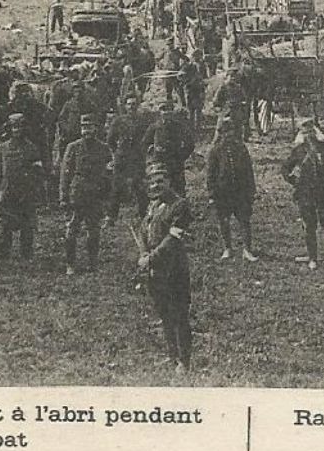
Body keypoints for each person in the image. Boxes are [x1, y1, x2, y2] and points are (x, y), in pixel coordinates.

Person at [137, 163, 194, 373]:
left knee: (179, 314)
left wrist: (151, 257)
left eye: (160, 181)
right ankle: (172, 356)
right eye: (152, 181)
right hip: (155, 270)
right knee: (164, 313)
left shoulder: (179, 205)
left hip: (173, 268)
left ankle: (184, 361)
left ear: (169, 182)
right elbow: (144, 230)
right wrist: (143, 253)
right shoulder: (152, 205)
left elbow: (173, 239)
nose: (156, 185)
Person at [282, 118, 324, 271]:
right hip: (305, 194)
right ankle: (312, 259)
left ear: (316, 132)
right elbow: (285, 168)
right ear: (301, 134)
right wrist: (294, 181)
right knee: (309, 227)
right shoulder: (298, 151)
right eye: (305, 132)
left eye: (311, 132)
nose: (308, 135)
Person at [59, 112, 113, 275]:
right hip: (77, 194)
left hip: (95, 195)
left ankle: (92, 263)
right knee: (71, 230)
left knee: (94, 231)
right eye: (84, 127)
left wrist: (107, 196)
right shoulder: (73, 147)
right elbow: (65, 174)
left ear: (96, 128)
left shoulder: (104, 149)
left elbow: (110, 174)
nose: (86, 131)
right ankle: (70, 264)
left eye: (89, 127)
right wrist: (63, 196)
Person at [205, 117, 258, 262]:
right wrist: (212, 194)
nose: (229, 135)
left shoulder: (241, 149)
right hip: (223, 193)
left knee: (244, 220)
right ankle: (227, 248)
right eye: (225, 132)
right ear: (221, 134)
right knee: (224, 220)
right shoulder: (215, 151)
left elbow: (249, 171)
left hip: (240, 192)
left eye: (231, 132)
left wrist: (251, 191)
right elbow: (210, 175)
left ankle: (247, 250)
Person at [0, 114, 44, 261]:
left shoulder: (31, 148)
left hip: (25, 191)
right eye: (14, 127)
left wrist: (33, 186)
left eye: (20, 127)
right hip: (7, 190)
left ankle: (26, 254)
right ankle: (3, 254)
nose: (17, 130)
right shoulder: (3, 147)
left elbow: (38, 170)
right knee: (5, 224)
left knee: (27, 224)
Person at [105, 90, 155, 222]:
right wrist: (117, 152)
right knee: (116, 187)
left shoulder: (143, 121)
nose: (131, 106)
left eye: (134, 104)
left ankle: (144, 215)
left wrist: (144, 150)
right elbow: (110, 140)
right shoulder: (118, 121)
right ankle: (111, 216)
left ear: (137, 105)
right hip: (121, 158)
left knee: (141, 187)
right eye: (128, 104)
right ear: (125, 106)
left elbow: (149, 138)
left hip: (137, 158)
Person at [141, 97, 196, 196]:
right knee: (160, 188)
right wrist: (152, 155)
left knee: (178, 190)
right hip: (160, 163)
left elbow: (190, 143)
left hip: (176, 163)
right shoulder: (155, 127)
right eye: (163, 110)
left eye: (168, 110)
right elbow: (144, 143)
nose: (166, 113)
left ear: (172, 112)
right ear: (159, 112)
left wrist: (181, 156)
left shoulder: (179, 126)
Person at [211, 64, 251, 140]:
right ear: (227, 77)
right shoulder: (223, 87)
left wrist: (242, 107)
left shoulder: (238, 87)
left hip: (236, 113)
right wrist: (219, 109)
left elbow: (243, 99)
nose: (233, 78)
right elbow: (216, 101)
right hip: (226, 113)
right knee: (220, 132)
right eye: (231, 76)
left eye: (235, 77)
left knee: (237, 133)